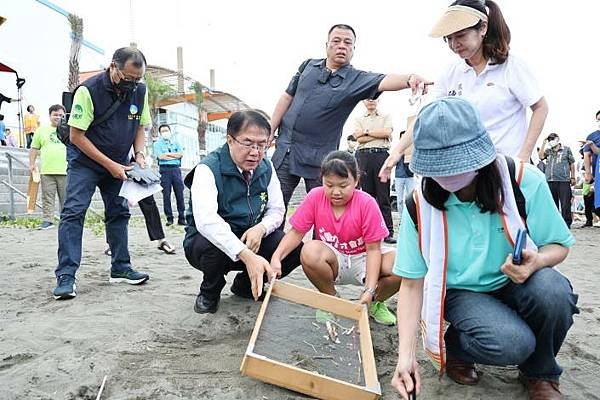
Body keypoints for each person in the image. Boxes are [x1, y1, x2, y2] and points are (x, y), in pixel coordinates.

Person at [390, 98, 577, 400]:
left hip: (514, 279)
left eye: (458, 164)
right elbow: (412, 284)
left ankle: (541, 372)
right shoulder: (418, 205)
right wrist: (405, 357)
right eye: (439, 167)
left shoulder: (523, 181)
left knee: (554, 292)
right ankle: (459, 347)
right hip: (460, 292)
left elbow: (559, 245)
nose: (450, 176)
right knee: (513, 343)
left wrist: (536, 261)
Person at [379, 0, 548, 182]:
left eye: (460, 36)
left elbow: (540, 107)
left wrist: (523, 157)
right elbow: (425, 116)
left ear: (482, 28)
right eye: (449, 39)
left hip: (508, 166)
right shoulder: (451, 73)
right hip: (469, 171)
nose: (454, 44)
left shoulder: (510, 67)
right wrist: (397, 150)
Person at [270, 23, 429, 211]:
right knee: (274, 207)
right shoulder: (308, 66)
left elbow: (384, 80)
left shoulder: (356, 79)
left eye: (348, 43)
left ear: (354, 49)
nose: (342, 46)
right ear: (326, 44)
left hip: (320, 159)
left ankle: (320, 242)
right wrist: (270, 129)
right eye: (336, 41)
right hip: (287, 149)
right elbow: (287, 96)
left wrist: (409, 78)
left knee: (325, 213)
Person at [53, 47, 152, 300]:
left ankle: (120, 267)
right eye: (128, 78)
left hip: (119, 162)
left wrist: (139, 155)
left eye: (137, 79)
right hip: (86, 162)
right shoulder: (89, 90)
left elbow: (140, 126)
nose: (132, 84)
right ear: (113, 67)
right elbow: (76, 136)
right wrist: (110, 165)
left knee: (119, 212)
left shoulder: (139, 91)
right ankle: (66, 275)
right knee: (74, 212)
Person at [183, 110, 302, 314]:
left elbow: (277, 209)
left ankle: (245, 286)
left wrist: (261, 228)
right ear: (230, 140)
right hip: (208, 244)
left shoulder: (266, 167)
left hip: (250, 236)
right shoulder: (207, 169)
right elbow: (206, 221)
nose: (255, 151)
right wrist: (245, 254)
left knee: (293, 248)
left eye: (262, 144)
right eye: (248, 143)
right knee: (211, 243)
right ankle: (209, 292)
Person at [271, 151, 401, 326]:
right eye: (329, 185)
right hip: (334, 258)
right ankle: (330, 300)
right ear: (322, 180)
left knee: (401, 264)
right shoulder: (315, 197)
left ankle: (375, 302)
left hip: (363, 256)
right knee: (309, 251)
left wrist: (370, 290)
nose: (336, 192)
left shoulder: (367, 203)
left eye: (343, 185)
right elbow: (296, 232)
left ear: (356, 180)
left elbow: (373, 250)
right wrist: (276, 257)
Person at [353, 99, 396, 244]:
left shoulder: (386, 116)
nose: (371, 101)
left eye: (374, 98)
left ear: (378, 100)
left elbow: (387, 132)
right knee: (367, 196)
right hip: (363, 156)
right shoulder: (358, 119)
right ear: (363, 102)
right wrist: (377, 134)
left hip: (381, 156)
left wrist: (366, 133)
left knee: (384, 196)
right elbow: (358, 139)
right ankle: (368, 231)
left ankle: (388, 232)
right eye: (367, 99)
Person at [28, 105, 67, 230]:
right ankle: (47, 220)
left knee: (66, 199)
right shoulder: (41, 130)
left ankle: (66, 220)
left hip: (66, 170)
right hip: (47, 170)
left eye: (61, 115)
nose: (58, 117)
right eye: (55, 114)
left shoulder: (69, 129)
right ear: (50, 115)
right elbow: (34, 148)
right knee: (47, 197)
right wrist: (32, 164)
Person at [538, 133, 575, 228]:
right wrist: (544, 143)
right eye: (549, 139)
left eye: (552, 139)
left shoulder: (566, 149)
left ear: (558, 139)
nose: (551, 141)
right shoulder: (548, 151)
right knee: (552, 203)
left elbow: (572, 164)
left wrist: (573, 177)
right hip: (550, 180)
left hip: (564, 180)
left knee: (565, 203)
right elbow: (541, 157)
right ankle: (554, 224)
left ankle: (566, 223)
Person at [153, 124, 185, 226]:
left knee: (179, 194)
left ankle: (181, 217)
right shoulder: (157, 144)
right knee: (166, 195)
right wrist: (174, 156)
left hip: (176, 170)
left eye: (166, 130)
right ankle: (169, 218)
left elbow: (181, 154)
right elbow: (161, 156)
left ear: (170, 131)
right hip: (164, 170)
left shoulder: (176, 142)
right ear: (160, 133)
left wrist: (168, 155)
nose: (165, 132)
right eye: (163, 131)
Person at [583, 110, 600, 220]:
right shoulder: (592, 136)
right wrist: (588, 174)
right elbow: (587, 155)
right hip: (597, 173)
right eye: (598, 120)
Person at [394, 130, 415, 217]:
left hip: (410, 176)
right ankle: (401, 217)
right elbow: (393, 162)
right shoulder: (396, 149)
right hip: (399, 176)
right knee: (400, 200)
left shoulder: (412, 149)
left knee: (411, 198)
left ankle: (410, 217)